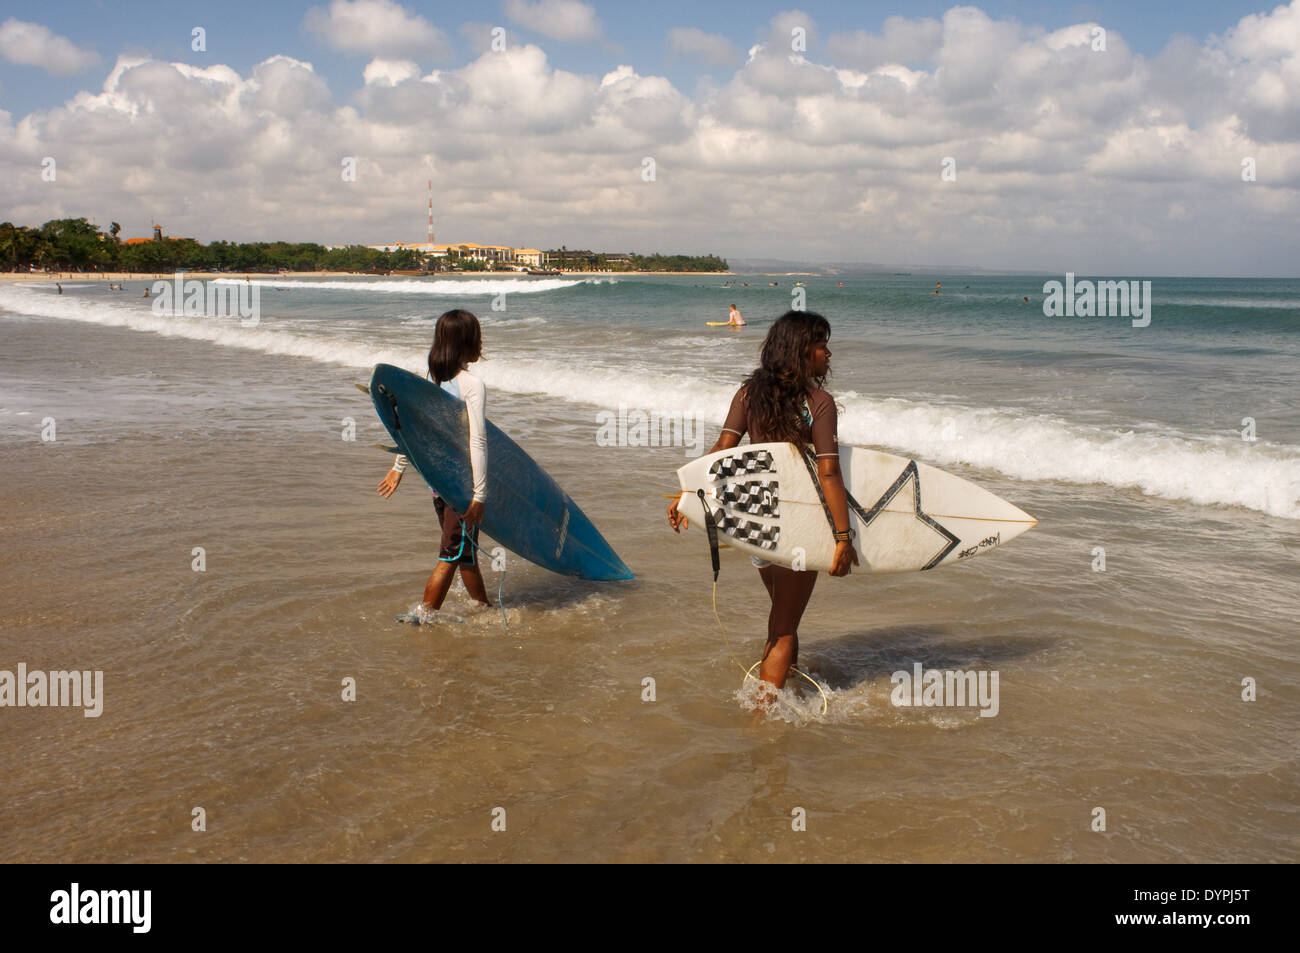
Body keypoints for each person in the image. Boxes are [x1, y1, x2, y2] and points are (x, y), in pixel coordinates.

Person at [667, 310, 857, 699]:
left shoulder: (748, 394)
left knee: (785, 616)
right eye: (822, 345)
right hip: (797, 528)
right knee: (783, 625)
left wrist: (687, 494)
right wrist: (843, 536)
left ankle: (788, 686)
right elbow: (829, 474)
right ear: (803, 352)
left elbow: (722, 452)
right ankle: (764, 716)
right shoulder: (819, 403)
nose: (828, 354)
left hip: (754, 525)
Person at [377, 309, 491, 619]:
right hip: (461, 487)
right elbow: (477, 441)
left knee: (465, 553)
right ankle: (422, 617)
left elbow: (415, 433)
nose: (481, 342)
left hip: (436, 483)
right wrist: (479, 495)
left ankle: (483, 609)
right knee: (451, 553)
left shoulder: (431, 380)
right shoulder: (471, 384)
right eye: (477, 336)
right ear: (466, 343)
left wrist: (399, 467)